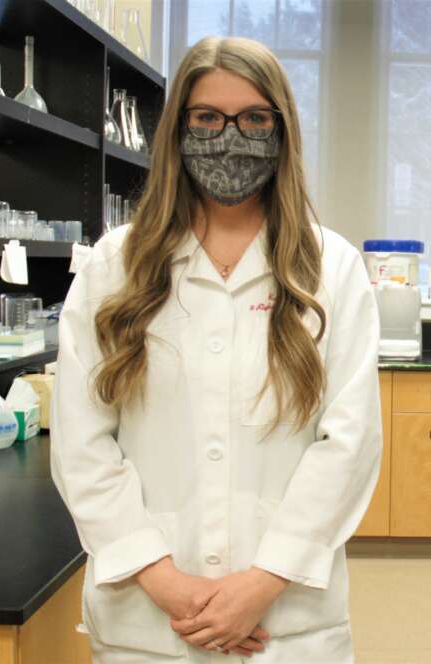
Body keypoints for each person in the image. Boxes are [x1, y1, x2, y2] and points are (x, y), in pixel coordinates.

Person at [51, 37, 382, 663]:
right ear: (177, 131)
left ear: (282, 131)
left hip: (286, 620)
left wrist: (263, 582)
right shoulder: (114, 267)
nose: (230, 136)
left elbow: (349, 444)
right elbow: (81, 442)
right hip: (149, 624)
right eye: (207, 118)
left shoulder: (330, 268)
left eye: (255, 118)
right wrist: (162, 579)